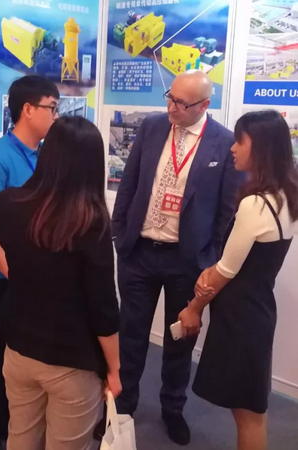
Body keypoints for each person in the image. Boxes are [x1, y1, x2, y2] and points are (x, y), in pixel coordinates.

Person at [108, 70, 245, 445]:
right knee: (131, 335)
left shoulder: (224, 143)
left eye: (181, 104)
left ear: (204, 105)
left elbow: (227, 210)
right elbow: (129, 183)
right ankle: (123, 407)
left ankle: (172, 408)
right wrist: (120, 232)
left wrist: (210, 258)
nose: (172, 107)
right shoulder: (152, 127)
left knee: (179, 339)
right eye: (170, 98)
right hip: (138, 252)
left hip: (186, 260)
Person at [0, 116, 122, 450]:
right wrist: (115, 369)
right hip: (72, 362)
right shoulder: (91, 222)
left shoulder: (8, 204)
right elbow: (103, 308)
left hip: (19, 349)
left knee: (20, 439)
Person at [178, 110, 298, 450]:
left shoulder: (255, 205)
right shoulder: (286, 197)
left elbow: (224, 273)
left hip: (240, 319)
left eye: (239, 141)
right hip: (258, 310)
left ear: (259, 146)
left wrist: (193, 307)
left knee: (248, 415)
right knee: (252, 410)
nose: (232, 148)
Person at [0, 75, 60, 450]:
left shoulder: (45, 157)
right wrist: (17, 273)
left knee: (28, 360)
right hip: (7, 280)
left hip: (39, 277)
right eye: (51, 108)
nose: (56, 116)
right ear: (28, 109)